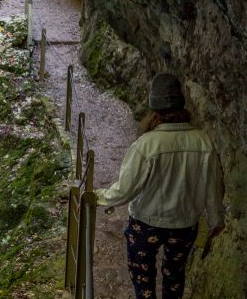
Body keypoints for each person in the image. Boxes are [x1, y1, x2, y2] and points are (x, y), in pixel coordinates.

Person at [94, 73, 225, 299]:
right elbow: (212, 188)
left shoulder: (146, 144)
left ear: (153, 108)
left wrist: (98, 197)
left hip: (146, 223)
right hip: (185, 223)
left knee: (142, 274)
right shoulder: (203, 141)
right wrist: (215, 221)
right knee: (174, 275)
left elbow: (125, 190)